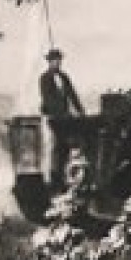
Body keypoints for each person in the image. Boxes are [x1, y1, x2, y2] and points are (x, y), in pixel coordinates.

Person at [38, 48, 85, 189]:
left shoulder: (64, 77)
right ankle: (55, 178)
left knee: (65, 147)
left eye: (59, 60)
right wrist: (58, 113)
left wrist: (80, 111)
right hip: (54, 117)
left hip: (65, 117)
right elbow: (48, 99)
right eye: (54, 60)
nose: (57, 63)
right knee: (57, 146)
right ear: (49, 62)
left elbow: (72, 95)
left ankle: (64, 177)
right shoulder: (44, 78)